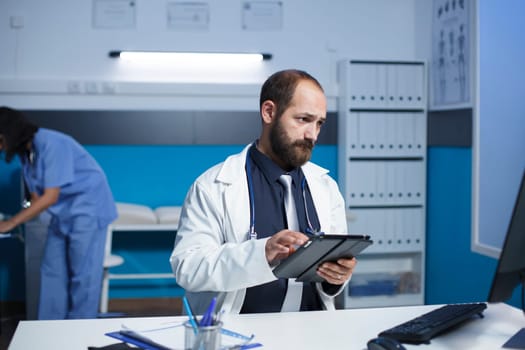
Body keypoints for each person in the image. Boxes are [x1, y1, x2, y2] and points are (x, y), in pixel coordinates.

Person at [170, 69, 356, 314]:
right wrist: (262, 252)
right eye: (303, 119)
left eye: (319, 123)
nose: (312, 134)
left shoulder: (326, 187)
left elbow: (329, 279)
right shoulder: (212, 186)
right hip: (242, 333)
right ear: (269, 112)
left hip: (312, 329)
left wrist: (336, 278)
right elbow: (188, 268)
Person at [0, 106, 117, 319]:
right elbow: (36, 198)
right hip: (62, 213)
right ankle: (50, 330)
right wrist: (10, 219)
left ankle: (80, 333)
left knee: (83, 276)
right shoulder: (27, 154)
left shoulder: (52, 144)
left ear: (8, 132)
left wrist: (11, 224)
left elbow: (50, 196)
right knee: (51, 273)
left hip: (87, 209)